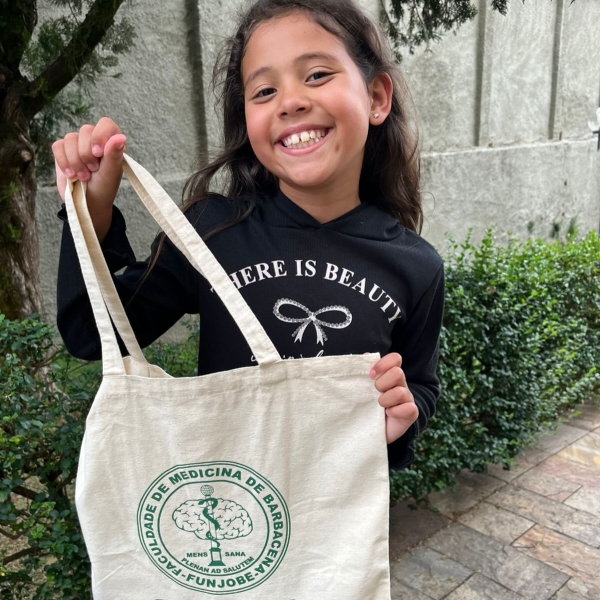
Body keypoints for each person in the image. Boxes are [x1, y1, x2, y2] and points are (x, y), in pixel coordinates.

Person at [52, 0, 444, 470]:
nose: (290, 101)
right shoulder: (211, 233)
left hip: (339, 507)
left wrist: (401, 418)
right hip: (226, 502)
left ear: (377, 97)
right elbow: (89, 334)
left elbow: (421, 384)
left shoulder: (417, 265)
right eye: (264, 91)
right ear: (247, 118)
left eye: (317, 74)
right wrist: (90, 211)